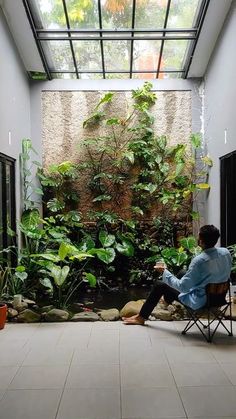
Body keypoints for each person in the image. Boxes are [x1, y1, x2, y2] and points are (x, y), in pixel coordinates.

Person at [123, 225, 232, 325]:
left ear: (201, 241)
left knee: (160, 285)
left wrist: (165, 271)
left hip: (201, 301)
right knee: (182, 273)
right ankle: (167, 300)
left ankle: (141, 317)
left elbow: (183, 287)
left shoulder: (199, 260)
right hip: (219, 297)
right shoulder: (225, 252)